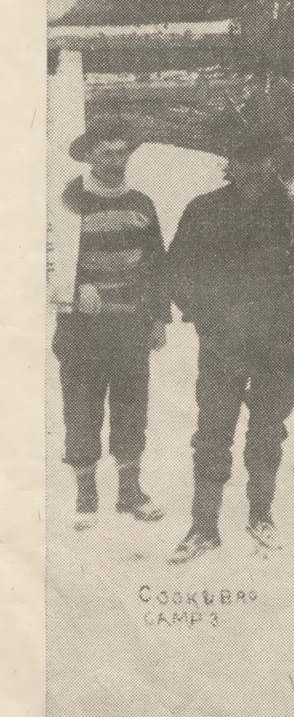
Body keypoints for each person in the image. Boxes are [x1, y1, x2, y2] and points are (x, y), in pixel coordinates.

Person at [166, 129, 294, 562]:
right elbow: (177, 270)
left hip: (278, 342)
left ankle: (261, 516)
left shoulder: (292, 212)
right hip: (224, 342)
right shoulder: (204, 209)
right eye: (245, 162)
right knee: (213, 433)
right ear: (231, 166)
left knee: (268, 432)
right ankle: (203, 526)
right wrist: (205, 317)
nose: (255, 172)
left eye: (263, 163)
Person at [52, 118, 169, 530]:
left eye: (122, 153)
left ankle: (129, 492)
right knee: (82, 405)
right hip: (82, 327)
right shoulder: (68, 200)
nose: (117, 161)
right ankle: (85, 495)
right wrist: (74, 286)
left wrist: (159, 318)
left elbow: (157, 263)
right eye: (107, 154)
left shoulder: (142, 202)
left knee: (131, 406)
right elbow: (43, 256)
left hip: (130, 326)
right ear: (88, 156)